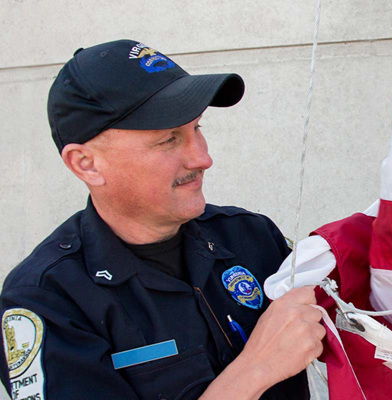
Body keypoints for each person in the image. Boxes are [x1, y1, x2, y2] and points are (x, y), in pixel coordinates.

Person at [0, 40, 325, 400]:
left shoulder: (250, 236)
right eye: (168, 139)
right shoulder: (47, 299)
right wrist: (258, 367)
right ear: (86, 164)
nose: (203, 158)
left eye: (198, 129)